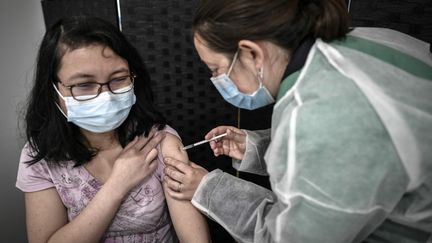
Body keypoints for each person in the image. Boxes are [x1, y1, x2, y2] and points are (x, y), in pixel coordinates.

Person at [162, 0, 432, 242]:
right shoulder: (370, 41)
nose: (217, 82)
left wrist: (210, 189)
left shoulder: (318, 114)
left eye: (216, 70)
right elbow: (351, 154)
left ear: (252, 54)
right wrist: (256, 147)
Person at [16, 16, 210, 243]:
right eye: (84, 84)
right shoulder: (40, 157)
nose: (106, 96)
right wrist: (118, 184)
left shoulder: (159, 140)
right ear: (53, 90)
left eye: (118, 79)